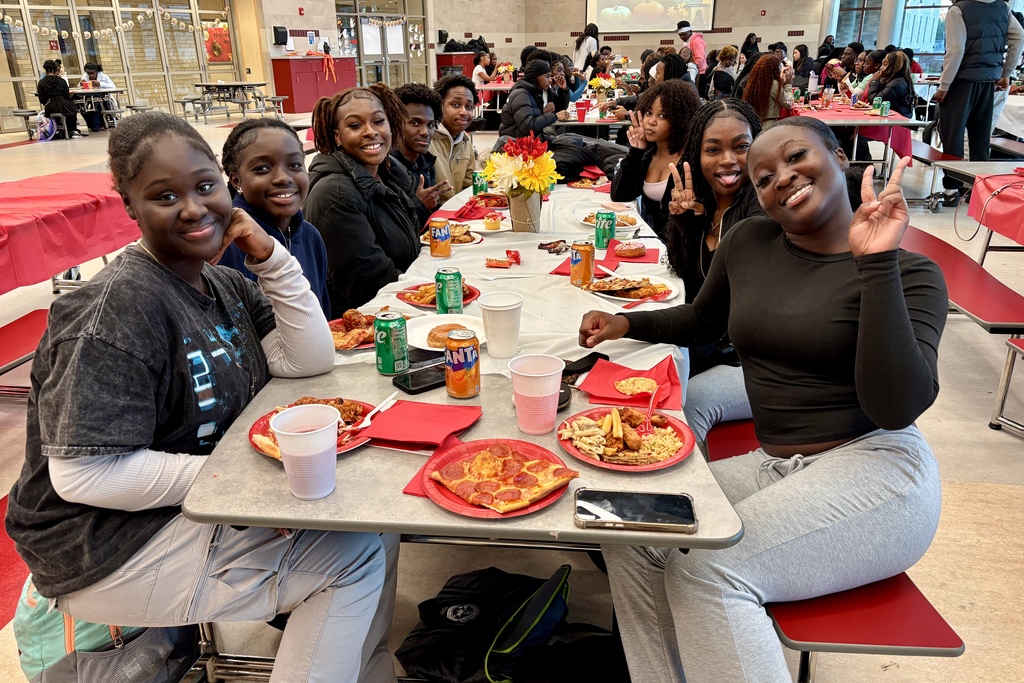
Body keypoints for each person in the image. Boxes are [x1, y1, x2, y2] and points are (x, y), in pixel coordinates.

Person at [4, 111, 394, 683]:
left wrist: (268, 256)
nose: (193, 207)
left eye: (205, 186)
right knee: (351, 559)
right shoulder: (115, 308)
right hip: (103, 544)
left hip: (188, 507)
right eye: (165, 196)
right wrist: (247, 477)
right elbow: (85, 477)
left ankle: (364, 671)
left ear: (226, 188)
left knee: (374, 520)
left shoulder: (225, 284)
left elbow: (309, 359)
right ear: (130, 208)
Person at [579, 117, 947, 683]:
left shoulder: (910, 272)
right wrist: (625, 320)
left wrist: (874, 265)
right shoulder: (750, 242)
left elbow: (895, 409)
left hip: (879, 472)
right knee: (629, 532)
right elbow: (702, 318)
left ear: (837, 156)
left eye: (797, 156)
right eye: (765, 175)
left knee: (707, 568)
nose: (783, 177)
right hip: (776, 465)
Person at [660, 99, 764, 443]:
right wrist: (687, 227)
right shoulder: (705, 206)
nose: (728, 160)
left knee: (679, 405)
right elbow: (695, 288)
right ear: (697, 155)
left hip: (751, 360)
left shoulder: (760, 205)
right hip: (710, 343)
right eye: (713, 149)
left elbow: (725, 303)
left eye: (742, 147)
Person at [305, 84, 421, 317]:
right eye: (355, 125)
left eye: (378, 121)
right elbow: (368, 283)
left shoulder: (386, 175)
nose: (370, 131)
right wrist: (425, 292)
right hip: (364, 325)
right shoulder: (335, 194)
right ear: (337, 136)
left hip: (395, 304)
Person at [218, 118, 331, 318]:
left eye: (295, 165)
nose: (283, 178)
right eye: (262, 168)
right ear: (236, 180)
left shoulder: (311, 237)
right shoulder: (226, 243)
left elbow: (323, 320)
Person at [936, 0, 1024, 205]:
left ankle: (951, 191)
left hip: (961, 82)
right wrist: (1006, 73)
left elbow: (956, 50)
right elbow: (1019, 37)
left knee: (953, 136)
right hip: (988, 81)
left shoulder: (958, 10)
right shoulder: (1002, 8)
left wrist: (944, 86)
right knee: (980, 138)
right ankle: (978, 191)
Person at [610, 79, 701, 238]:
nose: (651, 121)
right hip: (648, 243)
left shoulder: (688, 161)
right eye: (648, 112)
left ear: (680, 120)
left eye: (663, 115)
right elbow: (619, 194)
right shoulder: (646, 156)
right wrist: (635, 151)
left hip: (676, 249)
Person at [392, 83, 451, 229]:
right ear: (396, 124)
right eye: (415, 123)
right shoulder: (386, 168)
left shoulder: (426, 162)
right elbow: (390, 230)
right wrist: (419, 204)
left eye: (430, 125)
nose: (425, 132)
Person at [429, 74, 479, 201]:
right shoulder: (426, 138)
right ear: (439, 106)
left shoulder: (466, 142)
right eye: (456, 104)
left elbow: (468, 188)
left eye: (469, 107)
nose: (463, 112)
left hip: (455, 215)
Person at [499, 58, 573, 140]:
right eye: (547, 76)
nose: (550, 80)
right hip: (518, 143)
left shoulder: (541, 90)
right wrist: (553, 116)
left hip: (533, 138)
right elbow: (528, 127)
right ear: (536, 77)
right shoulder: (521, 94)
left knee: (575, 140)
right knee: (572, 146)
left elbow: (560, 110)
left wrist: (564, 90)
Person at [36, 59, 82, 139]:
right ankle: (72, 130)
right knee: (72, 108)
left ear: (45, 69)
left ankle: (57, 130)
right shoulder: (61, 81)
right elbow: (67, 96)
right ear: (55, 69)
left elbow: (42, 99)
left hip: (50, 106)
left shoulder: (41, 82)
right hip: (63, 104)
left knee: (52, 112)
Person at [741, 54, 793, 123]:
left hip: (756, 123)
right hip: (769, 124)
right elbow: (789, 103)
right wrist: (788, 85)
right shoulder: (773, 84)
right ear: (775, 70)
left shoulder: (755, 81)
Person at [866, 50, 916, 117]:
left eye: (885, 64)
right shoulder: (893, 80)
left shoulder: (896, 84)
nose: (881, 67)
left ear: (895, 66)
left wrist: (875, 81)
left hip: (897, 122)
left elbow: (875, 101)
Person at [79, 62, 117, 131]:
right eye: (88, 73)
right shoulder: (85, 76)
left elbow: (113, 86)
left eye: (92, 73)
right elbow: (79, 86)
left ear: (96, 71)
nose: (90, 75)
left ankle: (97, 124)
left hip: (102, 96)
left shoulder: (103, 76)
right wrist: (81, 83)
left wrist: (100, 83)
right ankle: (91, 124)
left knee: (97, 104)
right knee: (81, 107)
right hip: (89, 96)